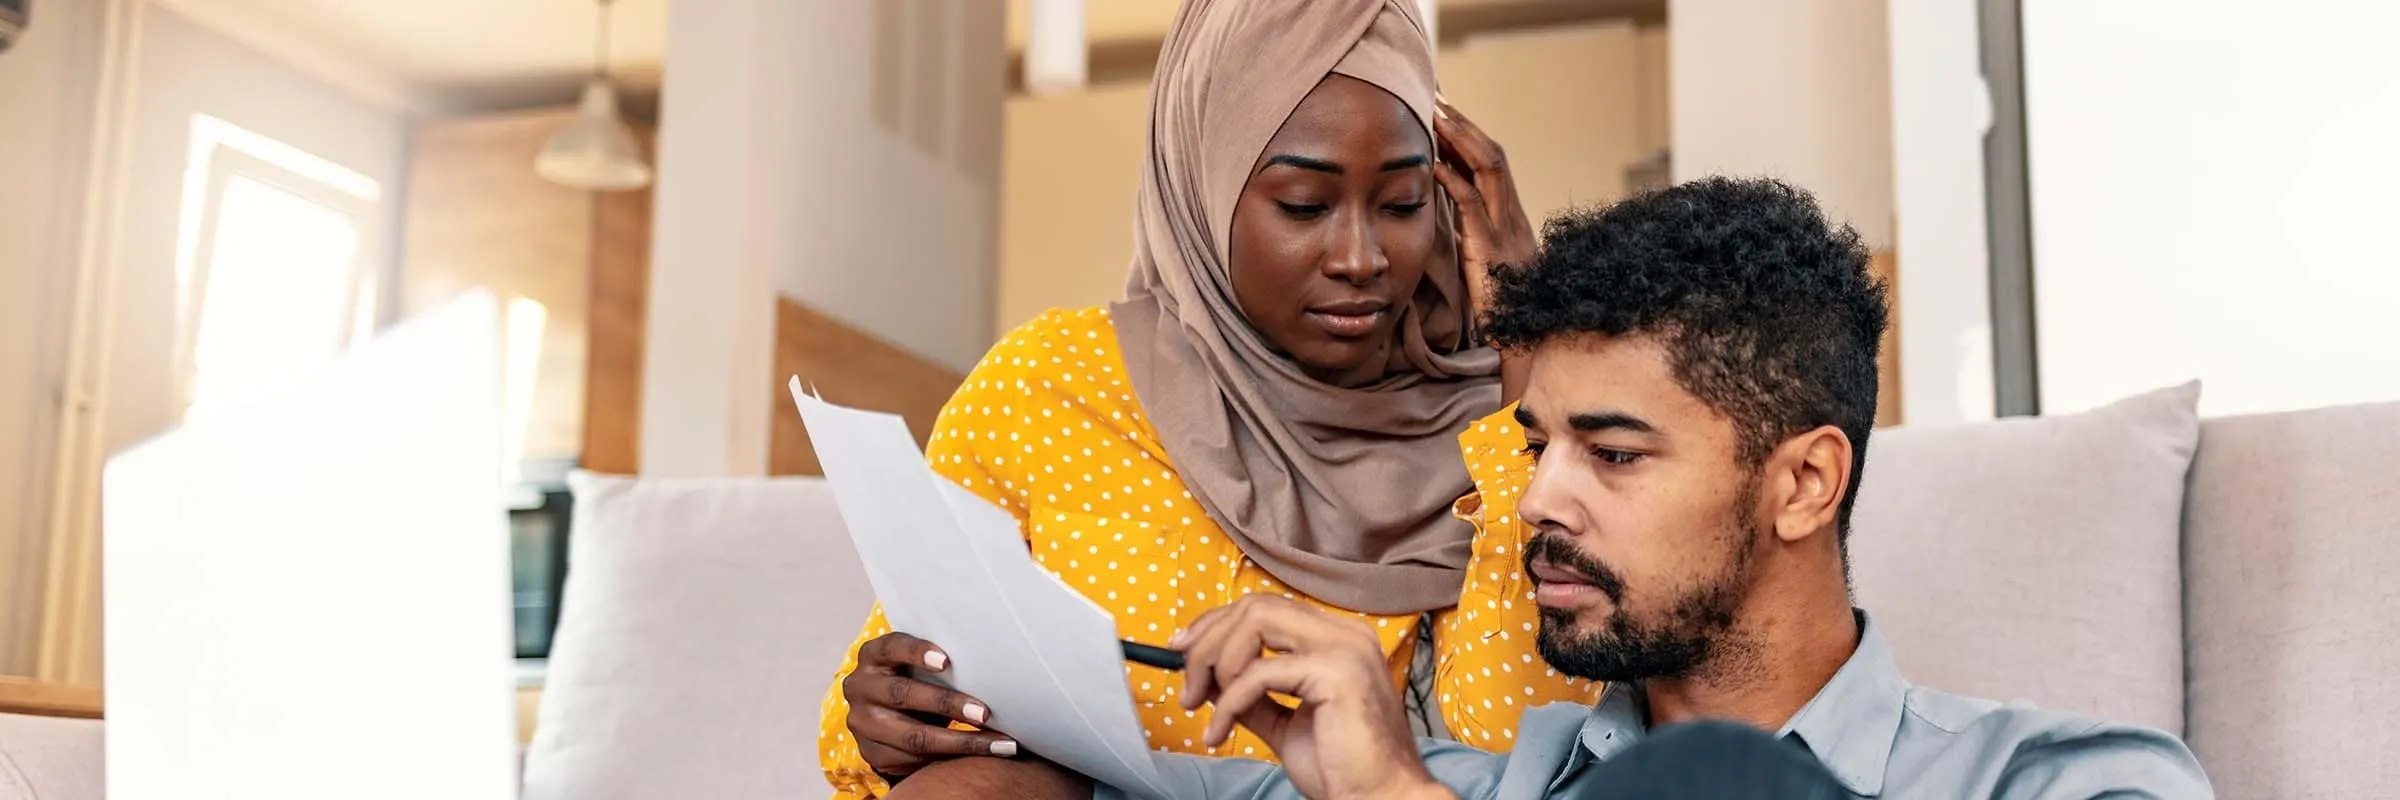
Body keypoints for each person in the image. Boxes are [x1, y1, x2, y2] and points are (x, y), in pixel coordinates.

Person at [910, 177, 2215, 799]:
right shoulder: (1480, 782)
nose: (1539, 502)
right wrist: (961, 702)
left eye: (1617, 454)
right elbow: (1086, 779)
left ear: (1805, 482)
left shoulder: (2069, 781)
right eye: (1537, 449)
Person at [816, 1, 1602, 796]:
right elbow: (884, 718)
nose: (1362, 258)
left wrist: (1524, 344)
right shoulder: (1049, 388)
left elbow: (1521, 756)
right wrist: (893, 711)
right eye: (1304, 204)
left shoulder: (1495, 430)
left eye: (1402, 205)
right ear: (1202, 186)